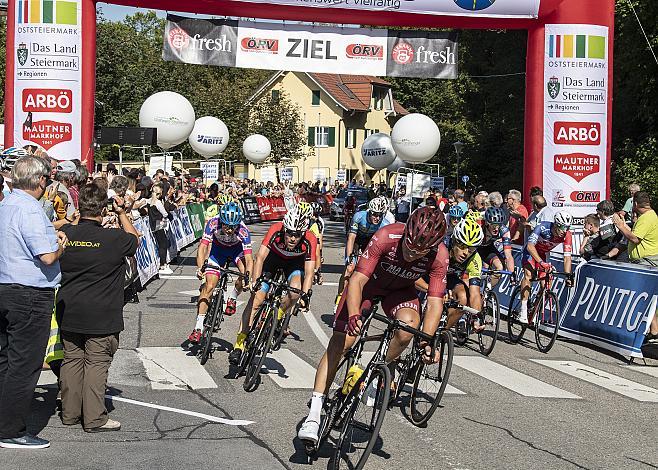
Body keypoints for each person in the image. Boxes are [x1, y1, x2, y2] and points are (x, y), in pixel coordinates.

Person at [297, 207, 448, 446]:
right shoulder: (387, 236)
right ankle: (314, 415)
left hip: (400, 292)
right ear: (406, 232)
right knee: (342, 342)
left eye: (420, 252)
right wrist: (355, 314)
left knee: (409, 326)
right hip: (368, 285)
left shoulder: (440, 255)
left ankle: (374, 371)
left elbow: (435, 302)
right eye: (409, 247)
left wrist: (426, 341)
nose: (412, 254)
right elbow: (357, 280)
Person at [57, 183, 138, 432]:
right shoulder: (113, 238)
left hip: (70, 307)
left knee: (71, 360)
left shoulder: (67, 234)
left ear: (79, 208)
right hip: (101, 312)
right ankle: (94, 418)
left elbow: (57, 228)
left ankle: (70, 413)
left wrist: (71, 221)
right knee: (96, 362)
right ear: (103, 209)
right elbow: (135, 240)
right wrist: (123, 212)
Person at [0, 155, 68, 449]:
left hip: (6, 286)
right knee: (24, 364)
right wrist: (61, 244)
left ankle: (5, 423)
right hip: (28, 292)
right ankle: (11, 430)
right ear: (41, 181)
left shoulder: (7, 204)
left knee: (5, 359)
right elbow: (48, 256)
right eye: (47, 179)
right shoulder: (30, 209)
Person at [229, 208, 315, 365]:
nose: (293, 238)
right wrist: (255, 281)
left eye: (297, 235)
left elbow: (309, 272)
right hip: (272, 261)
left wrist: (305, 295)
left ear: (303, 233)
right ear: (284, 229)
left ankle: (279, 313)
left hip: (294, 265)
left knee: (295, 291)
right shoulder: (275, 229)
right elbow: (260, 257)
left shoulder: (310, 239)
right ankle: (239, 344)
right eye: (289, 233)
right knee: (256, 300)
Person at [188, 202, 253, 344]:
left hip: (236, 251)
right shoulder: (213, 223)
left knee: (244, 274)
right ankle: (198, 327)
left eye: (233, 226)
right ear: (221, 220)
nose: (230, 230)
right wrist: (200, 269)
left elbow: (249, 258)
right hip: (217, 253)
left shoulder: (243, 230)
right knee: (209, 286)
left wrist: (248, 278)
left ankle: (233, 297)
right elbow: (203, 247)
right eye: (226, 226)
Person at [335, 197, 392, 307]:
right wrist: (349, 257)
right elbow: (351, 238)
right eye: (375, 214)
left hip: (370, 243)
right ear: (369, 212)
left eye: (380, 215)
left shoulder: (385, 224)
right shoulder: (359, 216)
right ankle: (339, 297)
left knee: (368, 273)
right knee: (349, 269)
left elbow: (383, 246)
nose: (377, 218)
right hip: (357, 240)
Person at [519, 211, 574, 324]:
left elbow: (567, 257)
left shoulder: (567, 235)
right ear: (556, 224)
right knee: (528, 275)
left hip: (543, 255)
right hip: (530, 252)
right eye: (563, 227)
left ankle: (535, 308)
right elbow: (530, 246)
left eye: (567, 227)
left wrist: (567, 275)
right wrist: (540, 262)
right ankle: (523, 309)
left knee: (546, 285)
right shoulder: (543, 227)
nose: (565, 231)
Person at [442, 218, 485, 333]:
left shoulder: (475, 259)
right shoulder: (443, 246)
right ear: (455, 240)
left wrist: (477, 317)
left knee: (463, 297)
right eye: (462, 246)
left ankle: (440, 333)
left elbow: (475, 293)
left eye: (471, 249)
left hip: (450, 276)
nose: (466, 252)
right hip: (431, 275)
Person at [613, 191, 658, 266]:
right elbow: (636, 234)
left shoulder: (646, 218)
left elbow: (635, 239)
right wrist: (623, 226)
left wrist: (620, 226)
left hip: (646, 262)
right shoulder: (648, 216)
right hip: (645, 261)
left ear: (635, 204)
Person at [477, 207, 516, 287]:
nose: (496, 228)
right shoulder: (479, 225)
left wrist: (512, 274)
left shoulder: (504, 230)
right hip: (474, 248)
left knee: (499, 267)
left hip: (487, 248)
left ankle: (486, 291)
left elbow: (508, 255)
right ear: (487, 222)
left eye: (499, 225)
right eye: (494, 225)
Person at [148, 183, 173, 275]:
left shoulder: (148, 201)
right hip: (159, 224)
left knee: (159, 243)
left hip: (152, 224)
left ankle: (162, 263)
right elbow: (165, 213)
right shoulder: (157, 202)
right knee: (163, 244)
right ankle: (163, 264)